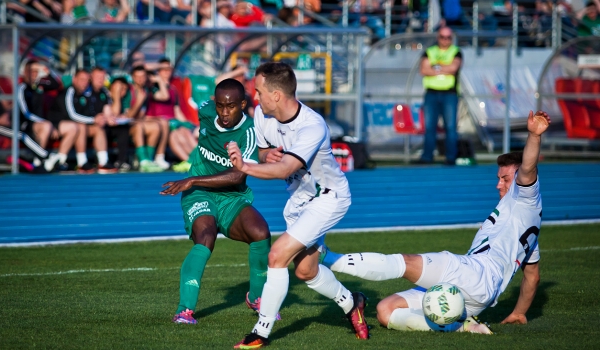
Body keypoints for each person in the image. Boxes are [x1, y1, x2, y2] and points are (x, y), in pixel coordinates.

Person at [319, 110, 551, 334]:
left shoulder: (526, 198)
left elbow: (528, 167)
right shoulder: (524, 225)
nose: (498, 184)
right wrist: (519, 312)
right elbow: (533, 277)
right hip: (475, 295)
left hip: (477, 274)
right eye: (498, 178)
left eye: (505, 178)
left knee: (406, 264)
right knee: (385, 310)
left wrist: (534, 135)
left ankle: (328, 258)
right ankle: (464, 326)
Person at [228, 62, 369, 349]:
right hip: (299, 201)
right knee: (305, 271)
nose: (255, 97)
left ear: (277, 95)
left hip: (329, 199)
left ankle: (260, 333)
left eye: (259, 91)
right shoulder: (261, 114)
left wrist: (245, 166)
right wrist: (265, 155)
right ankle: (352, 303)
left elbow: (285, 169)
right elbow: (267, 149)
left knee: (277, 255)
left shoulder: (312, 125)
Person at [160, 79, 274, 325]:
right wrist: (194, 182)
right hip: (200, 192)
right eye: (220, 105)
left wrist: (191, 179)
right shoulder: (205, 110)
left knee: (261, 232)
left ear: (243, 104)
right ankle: (184, 310)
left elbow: (237, 174)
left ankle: (256, 298)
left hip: (231, 195)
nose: (224, 112)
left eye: (231, 106)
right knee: (206, 237)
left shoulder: (250, 132)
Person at [0, 68, 49, 172]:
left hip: (4, 122)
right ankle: (46, 157)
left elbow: (6, 105)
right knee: (20, 135)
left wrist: (11, 110)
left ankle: (35, 161)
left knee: (25, 128)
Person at [47, 69, 116, 174]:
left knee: (98, 129)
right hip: (57, 124)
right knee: (80, 126)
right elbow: (72, 115)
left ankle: (103, 162)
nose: (84, 83)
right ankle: (79, 162)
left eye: (86, 80)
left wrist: (101, 119)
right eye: (82, 80)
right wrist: (94, 119)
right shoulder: (69, 92)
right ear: (74, 80)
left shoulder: (86, 94)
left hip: (75, 125)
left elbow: (87, 113)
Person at [18, 60, 81, 173]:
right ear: (25, 73)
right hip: (28, 124)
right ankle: (38, 162)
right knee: (46, 126)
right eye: (31, 71)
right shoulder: (22, 88)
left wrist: (46, 70)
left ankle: (60, 161)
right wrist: (46, 123)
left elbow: (57, 84)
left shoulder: (40, 86)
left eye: (36, 71)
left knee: (73, 127)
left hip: (44, 123)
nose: (34, 74)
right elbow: (25, 113)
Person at [415, 26, 463, 166]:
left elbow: (453, 68)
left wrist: (435, 67)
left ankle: (450, 157)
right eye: (443, 37)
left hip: (449, 94)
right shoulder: (430, 51)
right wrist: (444, 69)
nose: (445, 40)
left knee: (450, 127)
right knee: (430, 127)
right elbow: (423, 69)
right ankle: (427, 157)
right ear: (438, 37)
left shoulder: (456, 51)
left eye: (448, 37)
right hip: (431, 93)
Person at [146, 58, 198, 172]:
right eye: (163, 69)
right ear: (158, 71)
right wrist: (159, 80)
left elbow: (177, 111)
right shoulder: (153, 87)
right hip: (160, 121)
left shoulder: (173, 89)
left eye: (169, 69)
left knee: (185, 131)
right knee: (176, 135)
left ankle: (196, 160)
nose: (167, 72)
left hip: (173, 121)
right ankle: (191, 161)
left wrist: (188, 124)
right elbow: (164, 96)